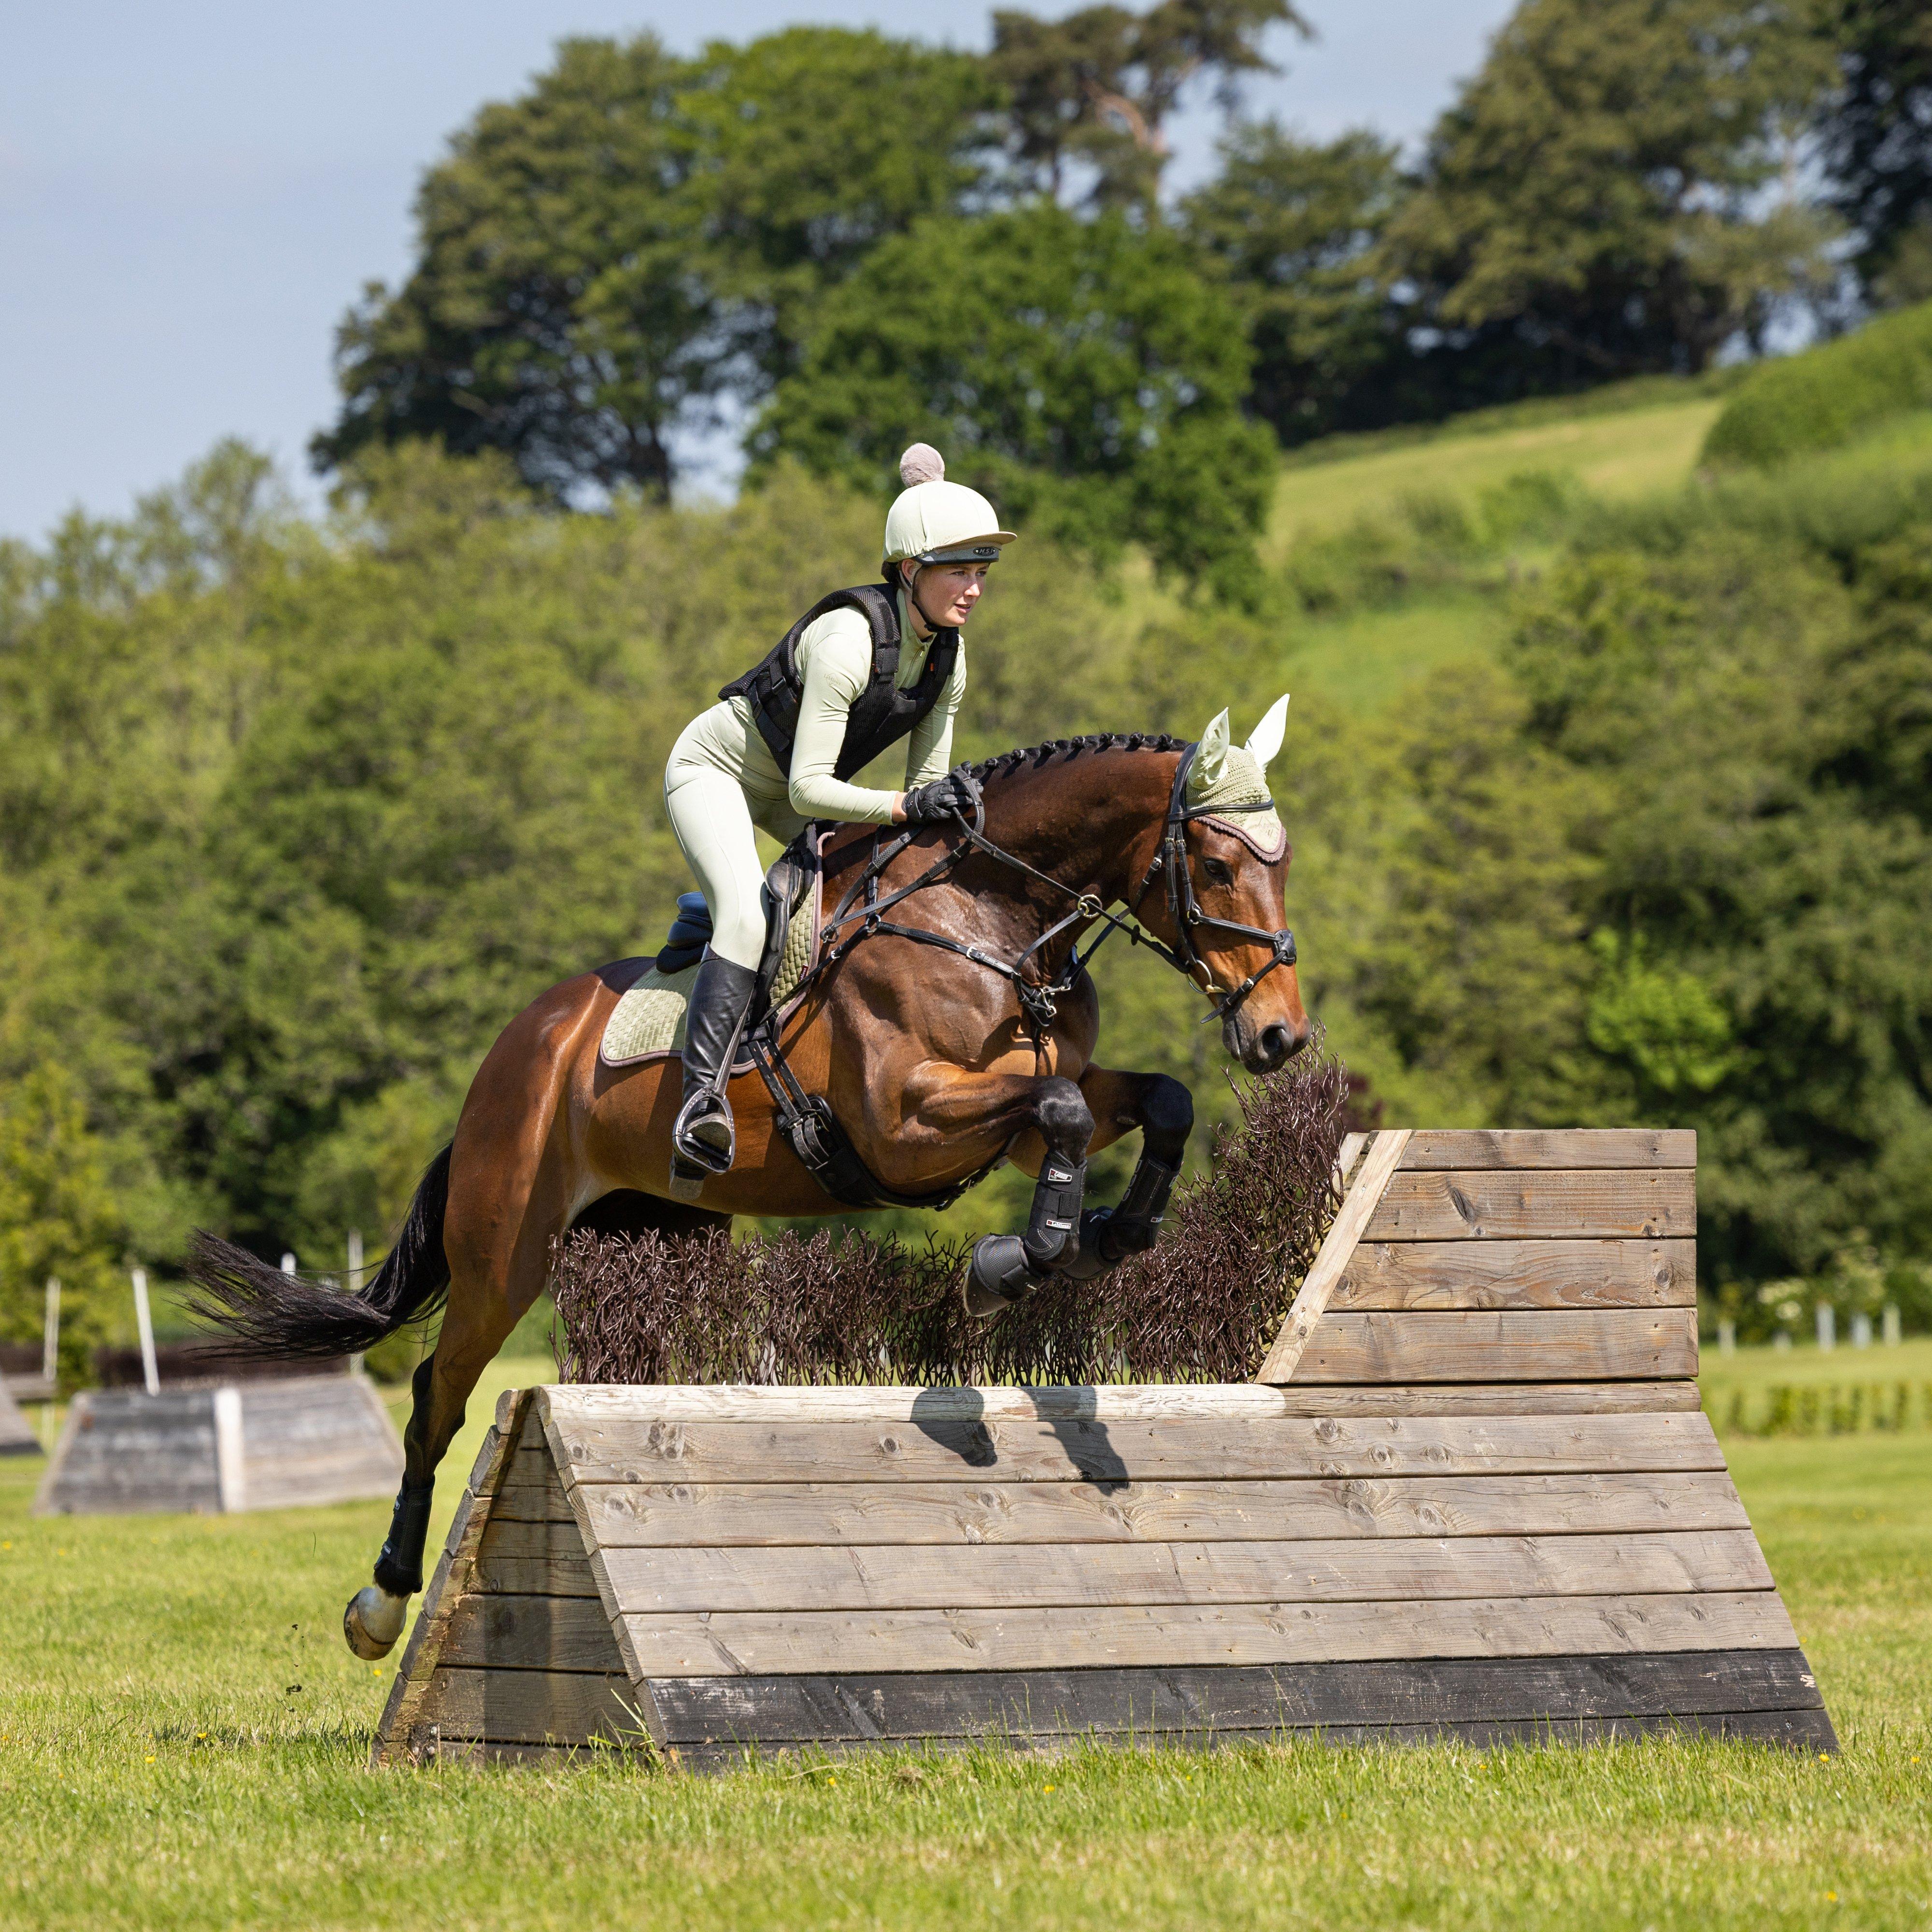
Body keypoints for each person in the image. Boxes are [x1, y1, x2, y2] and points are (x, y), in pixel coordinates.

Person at [661, 444, 1014, 1191]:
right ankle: (699, 1104)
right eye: (960, 570)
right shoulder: (850, 640)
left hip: (795, 786)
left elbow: (924, 790)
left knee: (875, 898)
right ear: (911, 570)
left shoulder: (948, 658)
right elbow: (808, 793)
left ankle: (716, 915)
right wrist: (903, 804)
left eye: (982, 572)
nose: (975, 589)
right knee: (751, 925)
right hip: (717, 773)